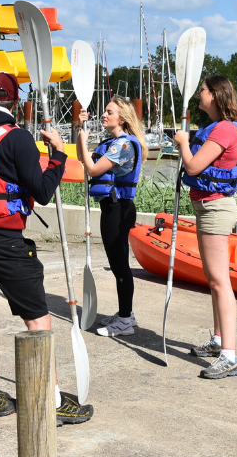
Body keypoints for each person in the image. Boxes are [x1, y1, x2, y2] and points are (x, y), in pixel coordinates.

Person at [0, 72, 93, 425]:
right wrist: (58, 153)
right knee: (37, 317)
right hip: (3, 241)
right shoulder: (16, 138)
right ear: (15, 102)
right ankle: (53, 400)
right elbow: (42, 191)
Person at [173, 76, 237, 379]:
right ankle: (218, 341)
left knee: (220, 281)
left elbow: (193, 167)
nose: (198, 95)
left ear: (216, 95)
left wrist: (181, 143)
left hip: (216, 208)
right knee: (213, 279)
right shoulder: (218, 128)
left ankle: (229, 356)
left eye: (202, 91)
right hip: (208, 207)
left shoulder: (226, 130)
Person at [76, 96, 148, 337]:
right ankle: (126, 313)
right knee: (118, 265)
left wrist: (85, 143)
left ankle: (125, 320)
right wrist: (80, 132)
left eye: (109, 112)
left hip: (119, 209)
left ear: (123, 118)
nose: (104, 115)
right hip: (112, 208)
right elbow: (81, 159)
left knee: (120, 266)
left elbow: (94, 169)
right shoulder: (112, 142)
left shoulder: (124, 145)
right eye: (105, 111)